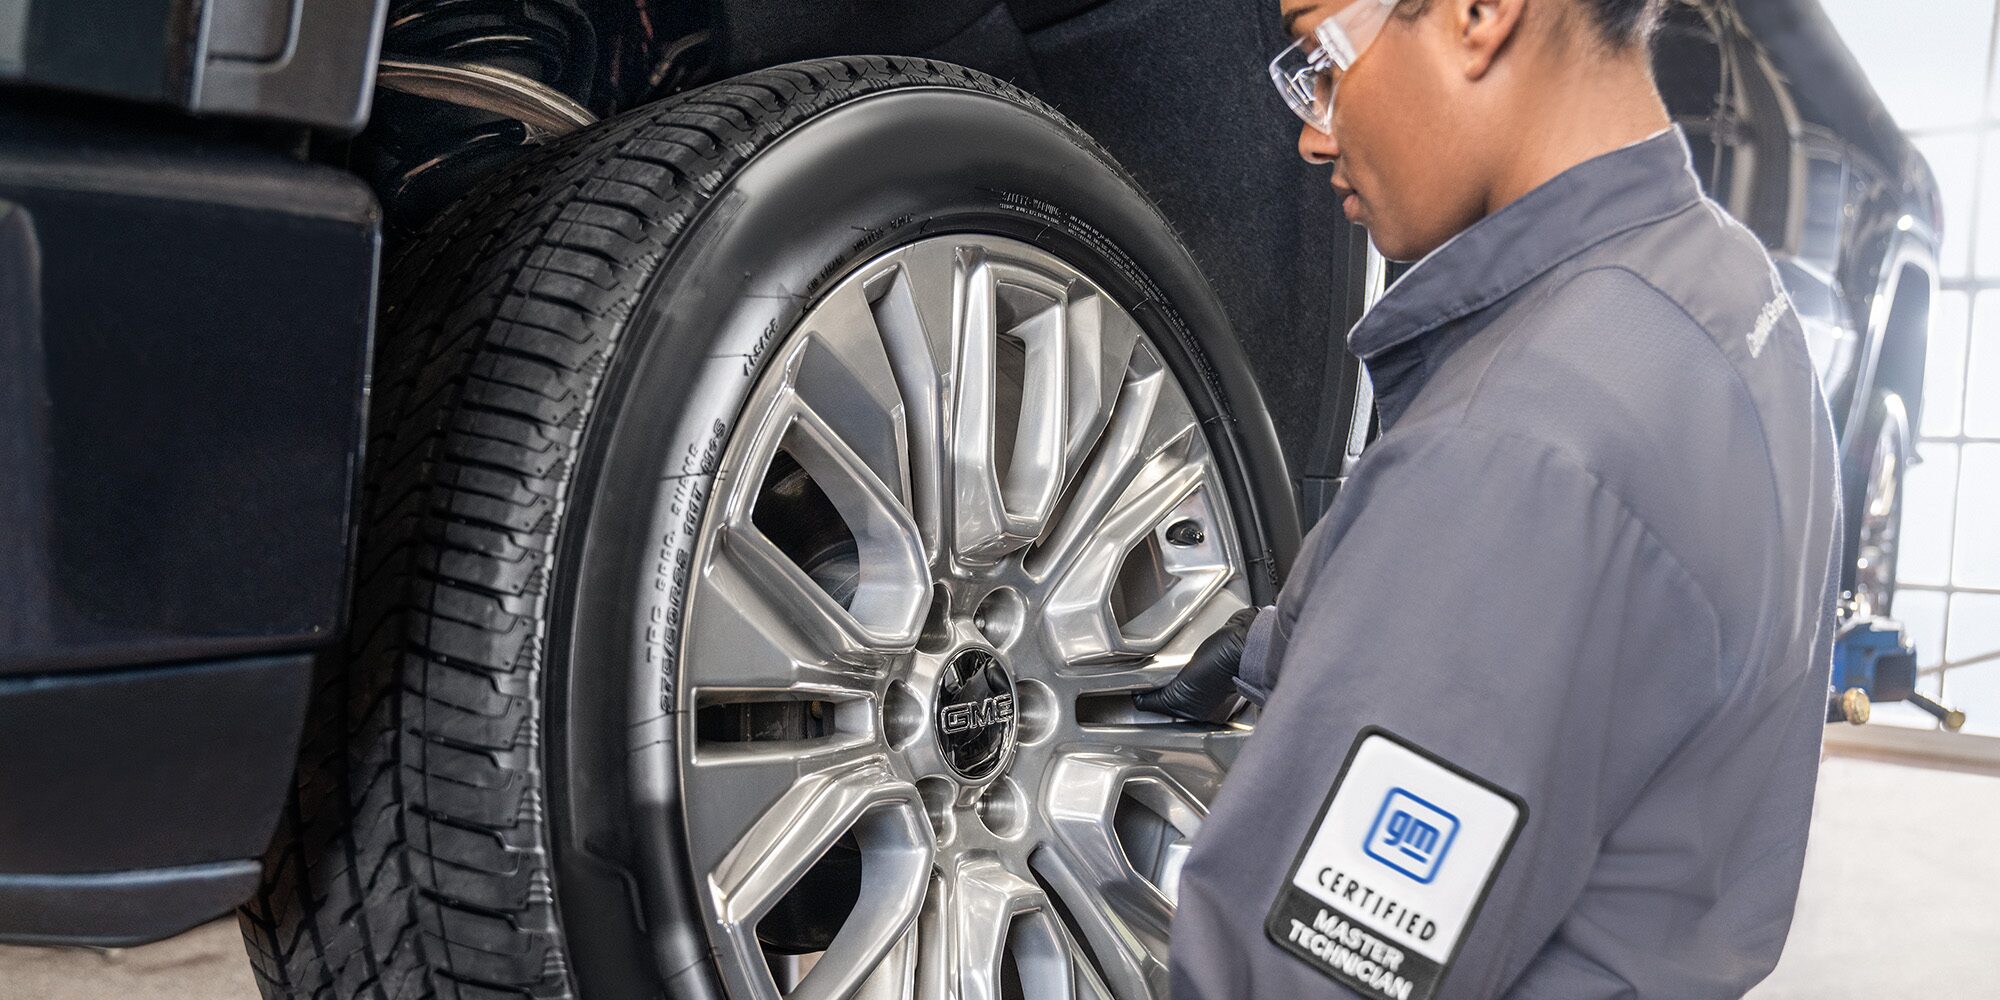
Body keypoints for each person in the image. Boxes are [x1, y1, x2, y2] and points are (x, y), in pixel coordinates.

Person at [1134, 1, 1842, 997]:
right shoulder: (1721, 284)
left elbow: (1298, 980)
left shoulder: (1512, 457)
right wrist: (1321, 644)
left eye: (1321, 56)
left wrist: (1424, 592)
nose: (1310, 128)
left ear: (1478, 13)